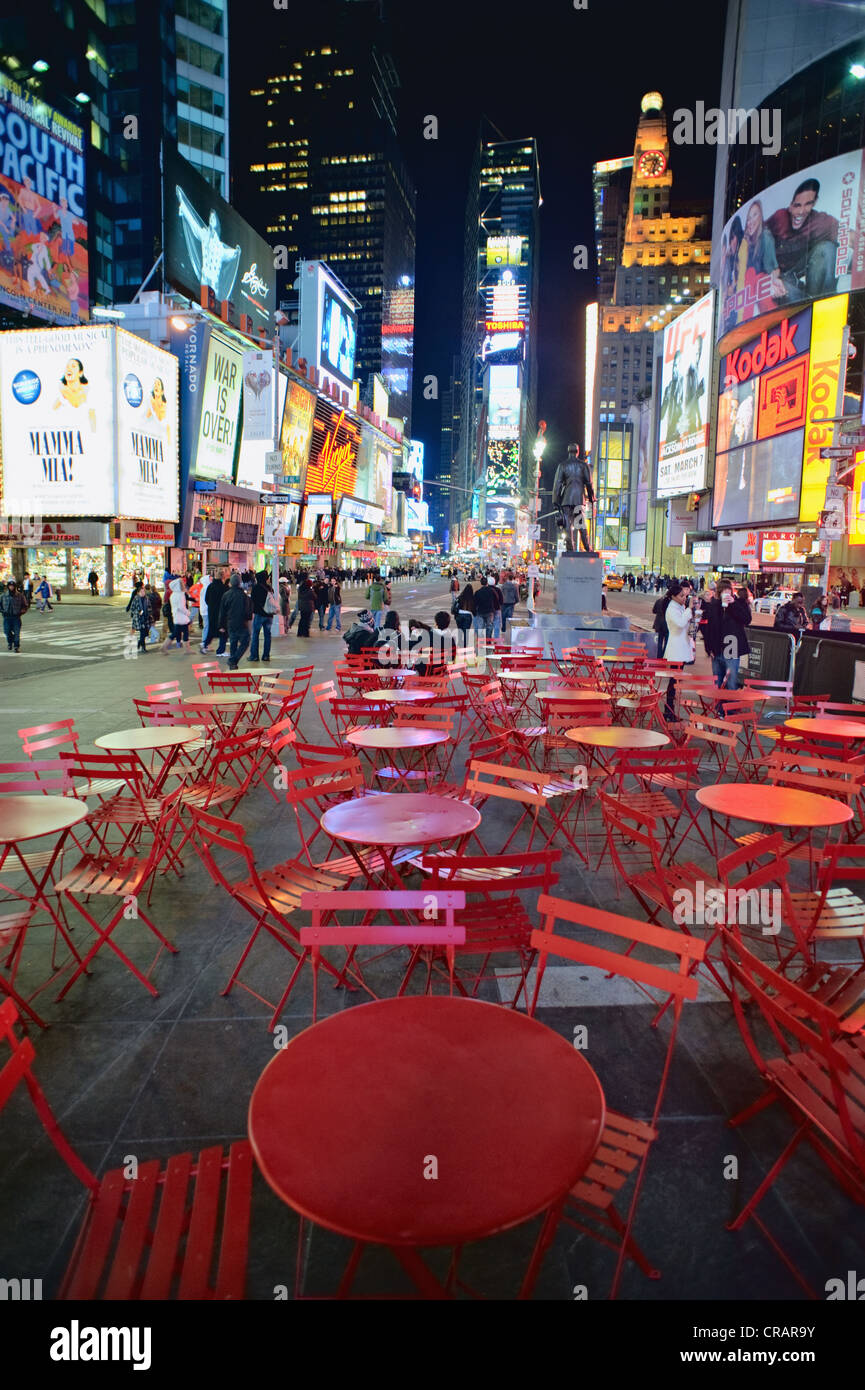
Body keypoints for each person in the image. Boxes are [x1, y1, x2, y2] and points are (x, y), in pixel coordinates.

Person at [766, 177, 839, 305]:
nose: (800, 211)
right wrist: (771, 272)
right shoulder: (780, 217)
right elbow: (758, 238)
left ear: (815, 202)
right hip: (781, 278)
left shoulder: (821, 221)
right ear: (790, 205)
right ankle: (809, 306)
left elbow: (852, 236)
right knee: (785, 293)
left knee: (827, 248)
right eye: (797, 205)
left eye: (808, 204)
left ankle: (825, 302)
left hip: (808, 275)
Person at [703, 579, 751, 691]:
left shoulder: (739, 603)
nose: (726, 594)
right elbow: (709, 628)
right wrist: (708, 648)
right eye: (723, 592)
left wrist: (733, 604)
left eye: (728, 591)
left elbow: (746, 619)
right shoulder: (714, 605)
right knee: (717, 682)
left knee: (731, 682)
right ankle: (719, 707)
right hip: (716, 648)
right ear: (718, 593)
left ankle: (730, 707)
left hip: (732, 647)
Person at [662, 582, 694, 721]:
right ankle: (668, 710)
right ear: (674, 596)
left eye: (685, 595)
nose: (684, 598)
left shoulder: (680, 607)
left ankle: (670, 710)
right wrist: (689, 609)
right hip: (676, 649)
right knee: (673, 681)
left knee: (675, 681)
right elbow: (680, 623)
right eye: (681, 596)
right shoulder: (672, 609)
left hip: (681, 647)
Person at [218, 572, 252, 669]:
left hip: (230, 622)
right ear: (239, 583)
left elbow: (222, 611)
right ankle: (233, 660)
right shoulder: (243, 595)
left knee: (233, 642)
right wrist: (248, 620)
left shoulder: (226, 595)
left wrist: (221, 625)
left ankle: (233, 664)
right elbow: (248, 611)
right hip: (241, 622)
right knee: (245, 642)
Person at [249, 569, 275, 664]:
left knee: (255, 635)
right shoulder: (269, 588)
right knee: (267, 635)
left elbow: (252, 601)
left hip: (259, 614)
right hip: (269, 615)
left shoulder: (256, 588)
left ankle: (254, 656)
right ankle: (266, 656)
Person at [203, 572, 225, 654]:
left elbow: (206, 599)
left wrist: (211, 606)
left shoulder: (210, 586)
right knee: (223, 630)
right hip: (221, 611)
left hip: (211, 611)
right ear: (222, 577)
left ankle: (205, 645)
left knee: (211, 629)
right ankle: (220, 650)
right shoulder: (223, 587)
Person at [1, 579, 25, 652]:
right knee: (7, 631)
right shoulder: (3, 596)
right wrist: (2, 611)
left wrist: (20, 612)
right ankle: (10, 642)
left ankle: (16, 646)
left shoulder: (20, 596)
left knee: (17, 633)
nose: (11, 587)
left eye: (12, 586)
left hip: (16, 617)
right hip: (7, 617)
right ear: (8, 587)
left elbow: (25, 605)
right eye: (10, 586)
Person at [128, 581, 153, 654]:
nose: (143, 593)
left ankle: (139, 643)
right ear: (138, 592)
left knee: (145, 633)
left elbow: (149, 607)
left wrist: (149, 613)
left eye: (144, 591)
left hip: (146, 618)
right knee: (142, 633)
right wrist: (138, 613)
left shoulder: (146, 599)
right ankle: (143, 648)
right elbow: (133, 608)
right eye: (141, 592)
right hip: (139, 619)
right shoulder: (136, 599)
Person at [472, 575, 497, 640]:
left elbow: (474, 603)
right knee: (489, 626)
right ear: (487, 583)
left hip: (480, 611)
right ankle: (488, 640)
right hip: (490, 611)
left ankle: (481, 641)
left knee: (480, 627)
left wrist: (475, 611)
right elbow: (496, 600)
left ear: (481, 583)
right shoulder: (492, 591)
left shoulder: (478, 592)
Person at [652, 590, 670, 659]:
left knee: (659, 642)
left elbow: (654, 611)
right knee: (666, 642)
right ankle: (664, 656)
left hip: (658, 624)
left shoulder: (659, 600)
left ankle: (658, 656)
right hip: (667, 624)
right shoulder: (670, 603)